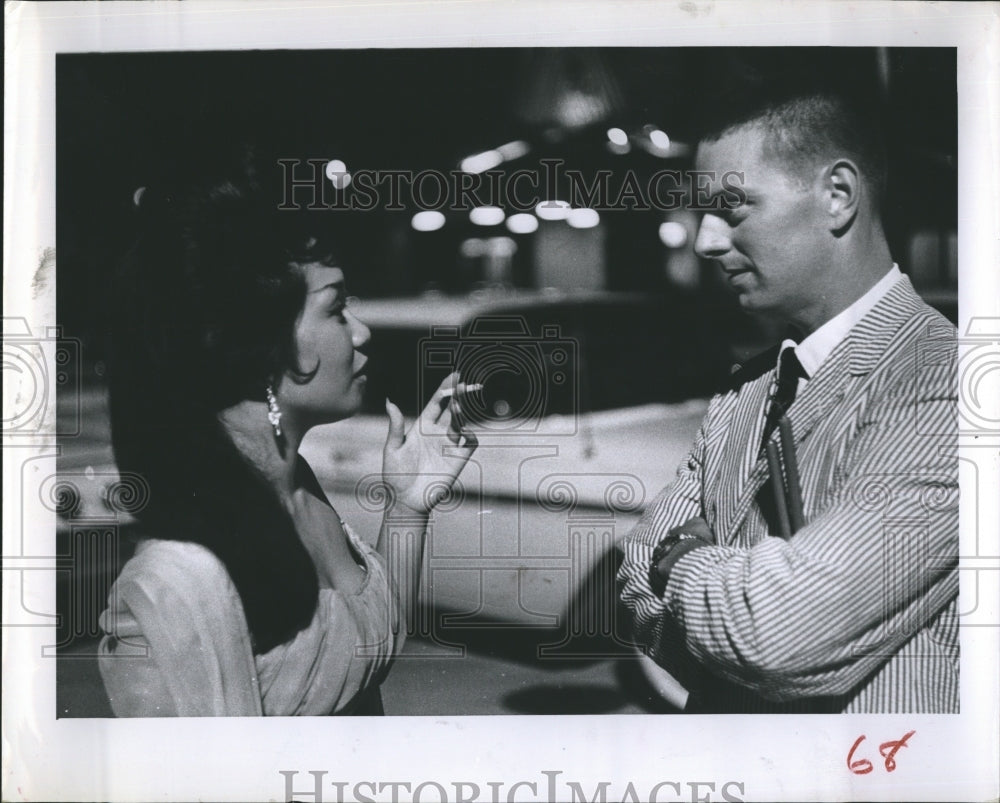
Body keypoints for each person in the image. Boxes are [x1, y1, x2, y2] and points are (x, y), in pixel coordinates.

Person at [98, 150, 477, 716]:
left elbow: (372, 643)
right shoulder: (175, 583)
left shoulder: (299, 485)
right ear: (260, 347)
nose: (362, 330)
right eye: (337, 309)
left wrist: (408, 505)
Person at [616, 88, 958, 713]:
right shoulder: (745, 389)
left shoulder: (944, 380)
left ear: (838, 196)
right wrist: (739, 593)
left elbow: (774, 635)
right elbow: (633, 577)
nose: (706, 241)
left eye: (733, 206)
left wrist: (685, 561)